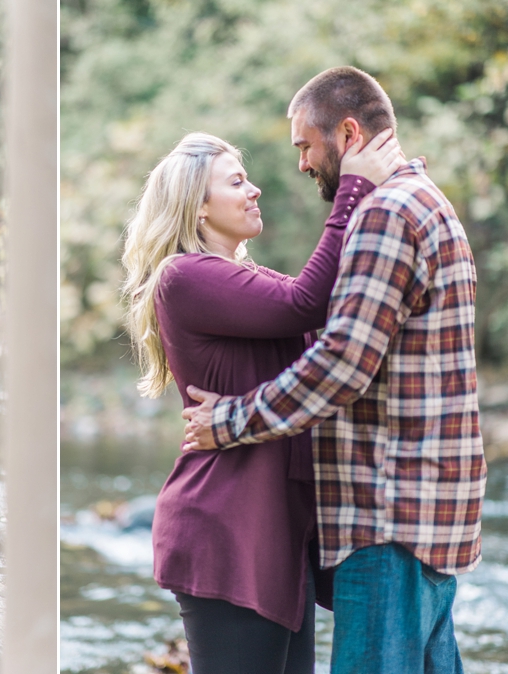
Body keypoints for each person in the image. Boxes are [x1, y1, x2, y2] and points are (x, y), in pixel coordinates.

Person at [181, 66, 487, 674]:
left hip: (387, 517)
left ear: (346, 135)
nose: (299, 164)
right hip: (428, 512)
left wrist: (230, 420)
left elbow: (342, 364)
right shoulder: (427, 200)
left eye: (304, 145)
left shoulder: (386, 215)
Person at [121, 129, 401, 674]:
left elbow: (329, 304)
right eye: (236, 181)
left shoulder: (244, 277)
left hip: (275, 527)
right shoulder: (185, 277)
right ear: (198, 207)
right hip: (228, 529)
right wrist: (351, 188)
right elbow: (306, 303)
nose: (255, 191)